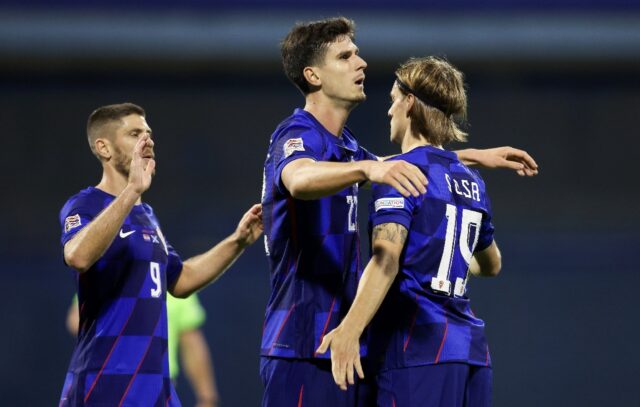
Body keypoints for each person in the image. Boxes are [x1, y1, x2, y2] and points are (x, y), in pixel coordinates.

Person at [261, 17, 537, 407]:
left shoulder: (347, 148)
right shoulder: (296, 133)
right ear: (313, 75)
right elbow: (300, 178)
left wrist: (469, 156)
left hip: (350, 338)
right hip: (302, 340)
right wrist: (370, 169)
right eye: (345, 56)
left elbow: (403, 164)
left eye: (357, 53)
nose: (361, 64)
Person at [317, 56, 502, 406]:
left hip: (418, 350)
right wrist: (453, 262)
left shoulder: (399, 175)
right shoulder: (473, 183)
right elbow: (492, 264)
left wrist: (349, 329)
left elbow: (385, 261)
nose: (389, 111)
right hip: (473, 355)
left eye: (393, 99)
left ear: (410, 102)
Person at [58, 102, 262, 406]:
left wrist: (238, 241)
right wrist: (131, 192)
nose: (147, 140)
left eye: (149, 133)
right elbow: (77, 256)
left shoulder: (146, 215)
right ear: (104, 148)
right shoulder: (84, 205)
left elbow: (180, 280)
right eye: (134, 133)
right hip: (104, 384)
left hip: (156, 387)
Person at [65, 293, 221, 406]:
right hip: (108, 386)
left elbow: (192, 345)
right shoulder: (110, 272)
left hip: (156, 390)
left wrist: (206, 397)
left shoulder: (174, 278)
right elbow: (75, 320)